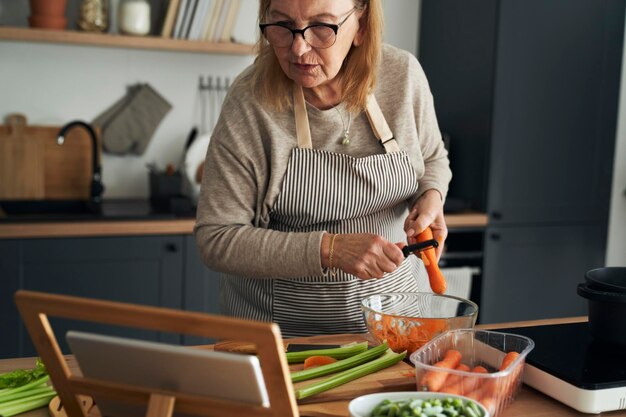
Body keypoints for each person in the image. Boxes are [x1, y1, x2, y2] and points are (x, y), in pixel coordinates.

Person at [194, 0, 452, 337]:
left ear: (360, 26)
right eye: (283, 26)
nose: (299, 48)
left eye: (322, 27)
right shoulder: (250, 101)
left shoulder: (402, 75)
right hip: (282, 338)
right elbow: (217, 238)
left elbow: (433, 158)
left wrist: (431, 197)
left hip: (394, 328)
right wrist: (330, 249)